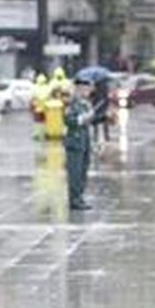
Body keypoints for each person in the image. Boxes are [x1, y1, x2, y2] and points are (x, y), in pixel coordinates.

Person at [62, 77, 93, 210]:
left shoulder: (85, 103)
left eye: (88, 88)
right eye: (85, 88)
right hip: (74, 142)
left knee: (82, 171)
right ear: (78, 89)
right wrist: (82, 119)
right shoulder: (72, 103)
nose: (88, 91)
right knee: (75, 172)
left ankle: (80, 196)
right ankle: (74, 199)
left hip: (84, 141)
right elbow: (68, 120)